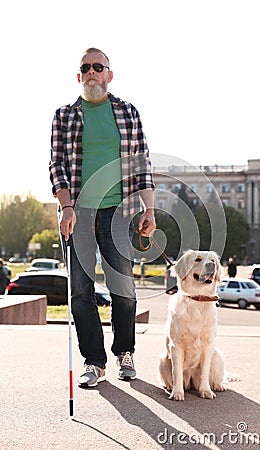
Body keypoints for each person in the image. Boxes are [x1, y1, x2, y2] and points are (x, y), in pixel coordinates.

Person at [49, 47, 156, 387]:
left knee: (123, 290)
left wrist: (148, 209)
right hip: (76, 213)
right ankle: (93, 362)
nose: (92, 72)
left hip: (120, 212)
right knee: (81, 291)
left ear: (109, 74)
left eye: (99, 66)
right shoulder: (64, 116)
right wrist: (66, 207)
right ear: (79, 76)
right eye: (86, 67)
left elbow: (142, 164)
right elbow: (58, 166)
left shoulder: (127, 112)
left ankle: (125, 352)